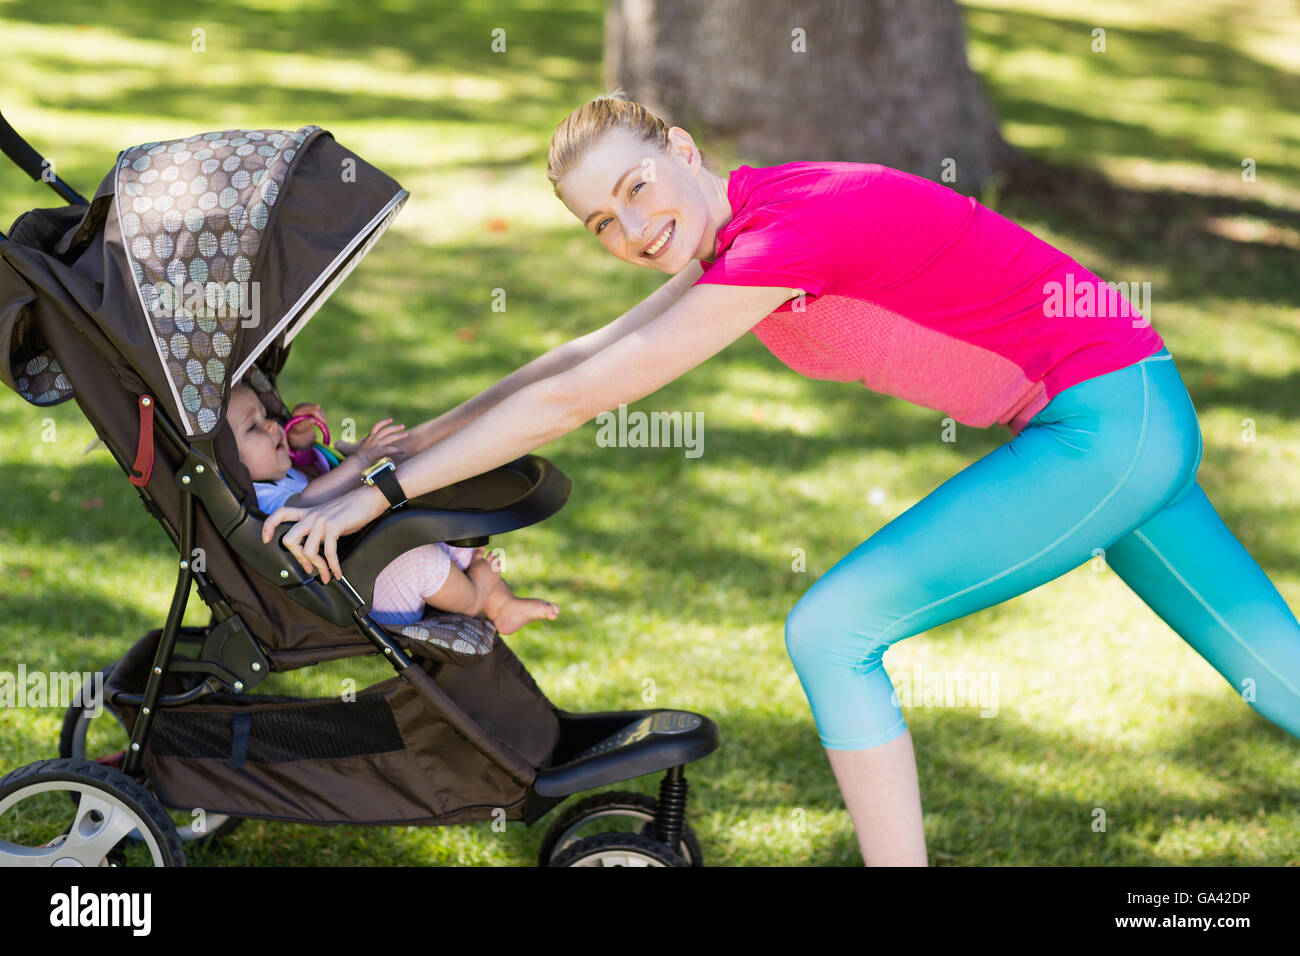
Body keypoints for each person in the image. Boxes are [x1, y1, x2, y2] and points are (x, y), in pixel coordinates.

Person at [261, 91, 1300, 866]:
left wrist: (378, 499)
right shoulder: (742, 229)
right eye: (600, 224)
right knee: (1273, 668)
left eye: (635, 187)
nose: (630, 230)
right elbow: (569, 361)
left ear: (682, 147)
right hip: (1126, 411)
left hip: (1106, 423)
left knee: (830, 628)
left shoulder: (786, 232)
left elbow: (581, 401)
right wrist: (385, 457)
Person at [228, 382, 559, 635]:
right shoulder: (260, 500)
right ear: (231, 462)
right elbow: (308, 502)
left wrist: (299, 438)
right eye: (254, 427)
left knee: (433, 521)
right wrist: (360, 460)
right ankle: (475, 596)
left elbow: (311, 468)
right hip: (364, 589)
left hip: (374, 551)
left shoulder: (280, 474)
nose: (272, 425)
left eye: (266, 415)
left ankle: (502, 606)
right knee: (419, 560)